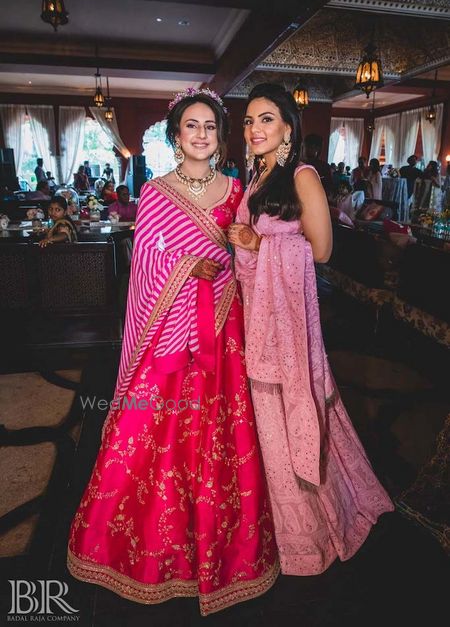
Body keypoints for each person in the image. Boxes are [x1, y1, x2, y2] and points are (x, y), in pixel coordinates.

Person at [67, 88, 279, 615]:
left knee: (222, 433)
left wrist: (244, 249)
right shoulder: (158, 193)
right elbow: (145, 268)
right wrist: (188, 269)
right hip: (168, 333)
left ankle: (224, 549)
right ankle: (138, 548)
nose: (201, 135)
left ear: (221, 137)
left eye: (210, 126)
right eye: (192, 126)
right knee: (147, 428)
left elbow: (253, 251)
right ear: (175, 135)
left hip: (226, 329)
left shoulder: (238, 190)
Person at [228, 83, 393, 576]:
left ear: (287, 128)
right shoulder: (257, 180)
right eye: (249, 121)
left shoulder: (301, 176)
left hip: (289, 330)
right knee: (268, 430)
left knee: (296, 418)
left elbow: (320, 251)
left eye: (266, 120)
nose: (255, 129)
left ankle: (314, 534)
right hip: (257, 320)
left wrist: (260, 245)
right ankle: (278, 531)